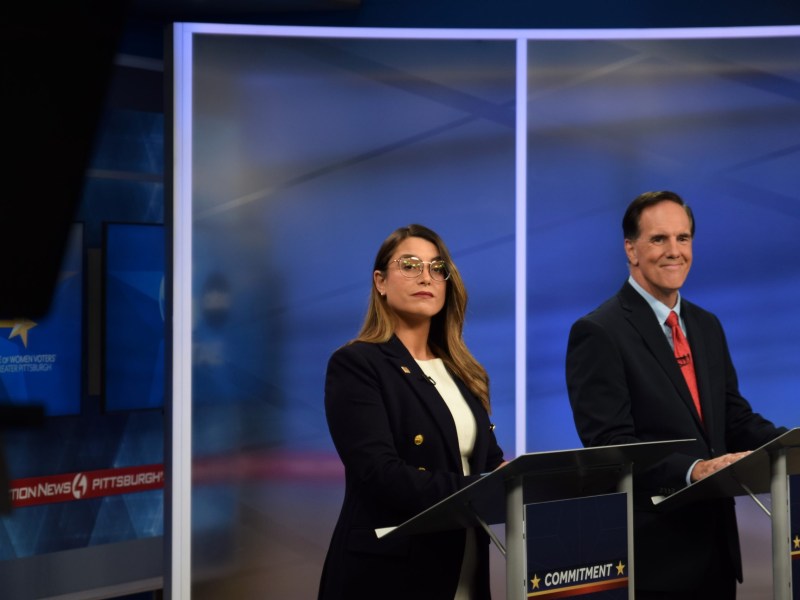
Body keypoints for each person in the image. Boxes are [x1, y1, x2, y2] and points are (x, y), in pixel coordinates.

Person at [565, 190, 787, 600]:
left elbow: (734, 419)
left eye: (683, 239)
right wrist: (693, 470)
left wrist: (790, 444)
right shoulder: (598, 332)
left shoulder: (706, 325)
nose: (674, 251)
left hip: (717, 554)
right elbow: (610, 446)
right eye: (659, 239)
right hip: (654, 560)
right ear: (631, 250)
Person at [318, 224, 506, 600]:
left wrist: (540, 481)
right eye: (409, 265)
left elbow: (490, 462)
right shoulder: (357, 364)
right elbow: (380, 474)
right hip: (391, 576)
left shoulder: (464, 371)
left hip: (466, 569)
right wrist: (485, 490)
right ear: (380, 282)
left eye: (438, 268)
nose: (426, 277)